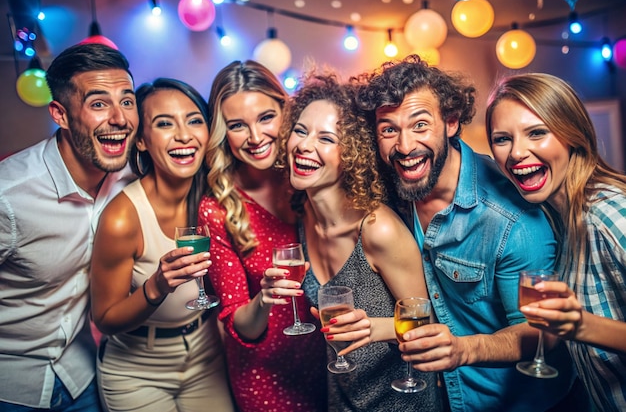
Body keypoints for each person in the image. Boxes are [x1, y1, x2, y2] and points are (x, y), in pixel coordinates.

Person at [354, 55, 577, 412]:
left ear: (452, 122)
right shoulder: (396, 189)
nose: (405, 145)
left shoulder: (513, 221)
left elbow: (541, 332)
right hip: (448, 399)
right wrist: (372, 327)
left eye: (420, 125)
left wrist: (464, 349)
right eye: (388, 129)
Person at [275, 69, 446, 411]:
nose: (305, 145)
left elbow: (431, 322)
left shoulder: (376, 228)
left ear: (353, 154)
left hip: (402, 401)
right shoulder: (301, 216)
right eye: (300, 131)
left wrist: (374, 327)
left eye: (326, 138)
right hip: (341, 399)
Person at [0, 43, 138, 411]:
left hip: (84, 377)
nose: (119, 118)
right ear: (60, 114)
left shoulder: (133, 177)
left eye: (127, 100)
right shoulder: (9, 197)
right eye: (98, 104)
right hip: (12, 388)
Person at [90, 78, 234, 412]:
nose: (184, 135)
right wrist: (157, 285)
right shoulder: (122, 218)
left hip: (205, 354)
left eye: (194, 120)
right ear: (140, 140)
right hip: (138, 371)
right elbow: (105, 319)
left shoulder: (215, 194)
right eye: (164, 123)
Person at [486, 72, 626, 412]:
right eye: (502, 139)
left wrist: (581, 325)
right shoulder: (556, 221)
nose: (517, 152)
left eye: (537, 132)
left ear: (572, 135)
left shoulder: (610, 212)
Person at [197, 60, 327, 412]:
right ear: (224, 133)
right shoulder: (218, 208)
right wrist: (265, 299)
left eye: (265, 118)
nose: (255, 138)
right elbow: (240, 324)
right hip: (265, 377)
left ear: (287, 113)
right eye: (238, 126)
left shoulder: (310, 175)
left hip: (331, 362)